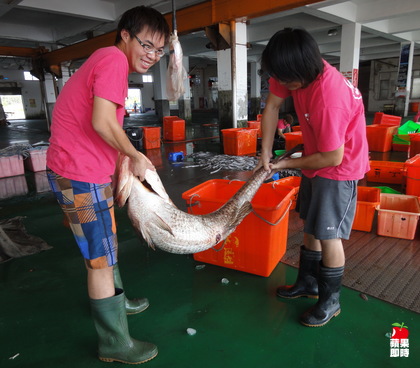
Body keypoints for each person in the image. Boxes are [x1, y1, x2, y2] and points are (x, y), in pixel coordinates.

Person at [46, 6, 170, 364]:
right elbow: (103, 122)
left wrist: (119, 165)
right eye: (147, 44)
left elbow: (104, 125)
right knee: (99, 260)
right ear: (126, 36)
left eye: (159, 51)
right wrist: (136, 155)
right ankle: (114, 343)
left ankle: (118, 301)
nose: (152, 55)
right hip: (78, 172)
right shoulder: (113, 60)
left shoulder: (106, 62)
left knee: (106, 242)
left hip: (85, 171)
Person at [255, 28, 369, 327]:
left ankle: (330, 302)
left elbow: (333, 157)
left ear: (304, 70)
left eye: (287, 80)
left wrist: (281, 167)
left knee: (328, 234)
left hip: (337, 168)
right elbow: (272, 106)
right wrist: (266, 152)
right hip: (314, 158)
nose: (283, 85)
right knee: (310, 224)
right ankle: (308, 283)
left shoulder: (330, 96)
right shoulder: (293, 71)